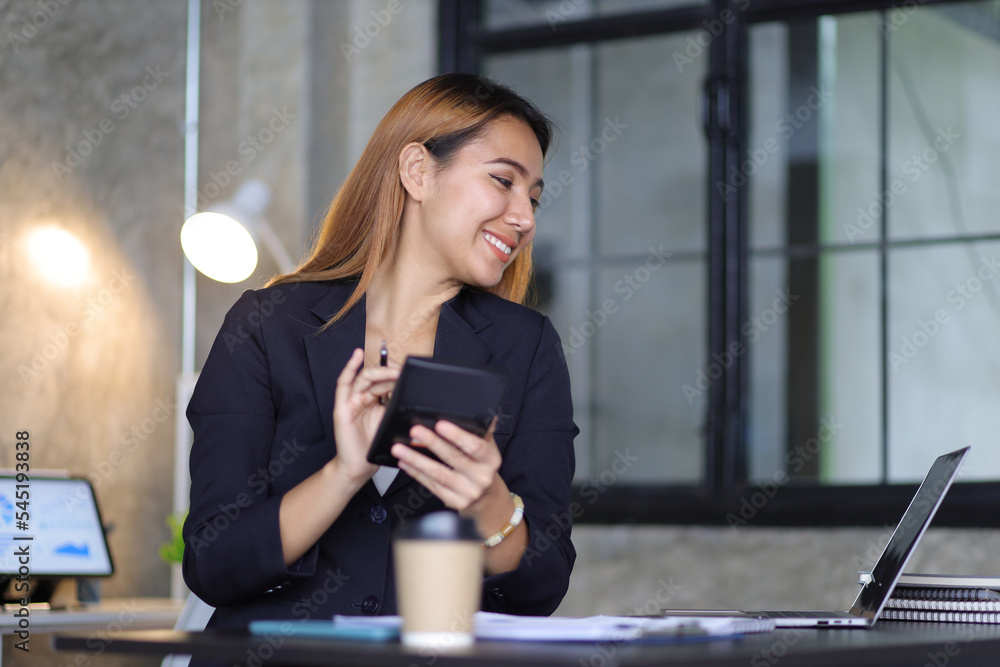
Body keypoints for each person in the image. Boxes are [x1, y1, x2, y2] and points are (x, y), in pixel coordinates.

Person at [182, 72, 578, 630]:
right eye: (503, 181)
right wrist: (343, 473)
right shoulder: (269, 325)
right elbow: (213, 563)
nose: (525, 217)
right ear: (418, 171)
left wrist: (487, 502)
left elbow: (543, 585)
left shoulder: (526, 346)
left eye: (534, 197)